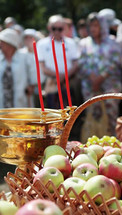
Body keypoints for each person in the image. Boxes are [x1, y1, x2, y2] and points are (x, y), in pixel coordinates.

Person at [78, 13, 122, 136]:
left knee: (111, 118)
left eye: (96, 25)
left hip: (110, 86)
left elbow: (116, 61)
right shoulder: (84, 43)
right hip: (90, 87)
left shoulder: (112, 42)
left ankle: (112, 145)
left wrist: (101, 77)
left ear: (102, 26)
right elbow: (81, 63)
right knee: (93, 116)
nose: (93, 28)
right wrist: (92, 77)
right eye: (91, 25)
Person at [0, 28, 34, 181]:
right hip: (3, 104)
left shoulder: (25, 57)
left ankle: (22, 166)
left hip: (21, 102)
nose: (1, 45)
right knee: (5, 133)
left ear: (11, 44)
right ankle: (5, 164)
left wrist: (32, 86)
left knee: (21, 134)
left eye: (3, 42)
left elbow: (34, 77)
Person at [37, 15, 79, 109]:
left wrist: (64, 76)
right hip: (51, 83)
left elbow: (75, 64)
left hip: (68, 82)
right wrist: (58, 76)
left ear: (64, 28)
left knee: (70, 113)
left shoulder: (71, 43)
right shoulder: (41, 44)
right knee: (52, 113)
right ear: (49, 28)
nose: (56, 31)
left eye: (60, 29)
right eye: (54, 28)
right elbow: (42, 66)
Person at [21, 28, 42, 108]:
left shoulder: (40, 52)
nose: (28, 40)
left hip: (39, 86)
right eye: (26, 38)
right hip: (25, 88)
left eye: (30, 37)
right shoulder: (21, 53)